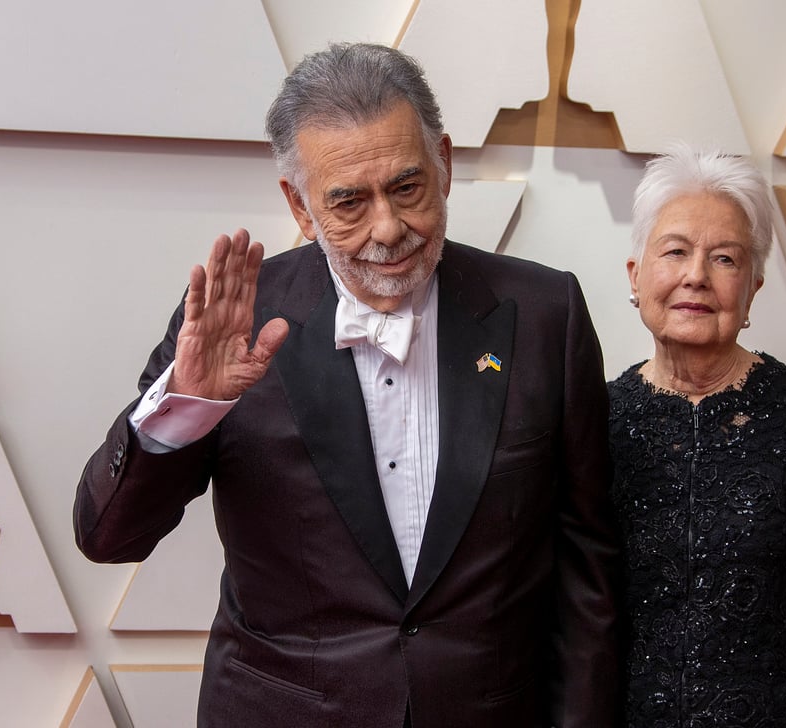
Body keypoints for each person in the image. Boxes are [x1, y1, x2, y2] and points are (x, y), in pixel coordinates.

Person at [74, 43, 620, 727]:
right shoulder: (231, 321)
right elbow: (107, 538)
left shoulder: (548, 313)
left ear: (445, 164)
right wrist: (189, 404)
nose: (388, 229)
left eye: (407, 187)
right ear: (299, 206)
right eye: (348, 202)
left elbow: (587, 570)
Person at [608, 142, 786, 727]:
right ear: (636, 276)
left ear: (754, 288)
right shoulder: (594, 416)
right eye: (676, 251)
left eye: (725, 259)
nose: (696, 276)